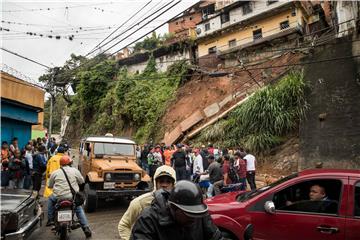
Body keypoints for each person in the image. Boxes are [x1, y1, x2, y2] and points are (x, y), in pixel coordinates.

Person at [131, 180, 223, 240]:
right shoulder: (148, 219)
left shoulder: (200, 214)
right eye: (188, 214)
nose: (194, 218)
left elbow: (217, 237)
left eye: (196, 213)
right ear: (173, 208)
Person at [118, 165, 176, 240]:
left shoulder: (178, 204)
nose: (164, 185)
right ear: (155, 183)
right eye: (161, 181)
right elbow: (124, 225)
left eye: (168, 182)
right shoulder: (140, 203)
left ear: (173, 184)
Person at [46, 155, 92, 238]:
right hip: (72, 197)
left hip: (58, 197)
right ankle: (86, 229)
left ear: (61, 164)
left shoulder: (55, 172)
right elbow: (81, 181)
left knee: (50, 200)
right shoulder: (75, 171)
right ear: (70, 163)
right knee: (78, 209)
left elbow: (50, 185)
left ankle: (50, 219)